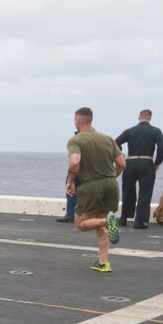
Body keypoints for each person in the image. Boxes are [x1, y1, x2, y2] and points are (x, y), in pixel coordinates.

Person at [66, 107, 125, 272]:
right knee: (100, 226)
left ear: (78, 122)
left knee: (80, 224)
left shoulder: (75, 140)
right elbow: (122, 163)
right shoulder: (107, 139)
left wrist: (70, 180)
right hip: (111, 184)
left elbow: (75, 162)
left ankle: (109, 221)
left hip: (90, 185)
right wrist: (113, 177)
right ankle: (104, 262)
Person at [114, 109, 163, 229]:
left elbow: (115, 142)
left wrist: (121, 155)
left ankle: (123, 218)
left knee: (128, 190)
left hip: (130, 162)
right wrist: (157, 163)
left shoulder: (130, 131)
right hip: (146, 162)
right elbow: (162, 148)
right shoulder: (155, 131)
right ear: (150, 118)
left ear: (139, 117)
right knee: (145, 193)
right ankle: (140, 221)